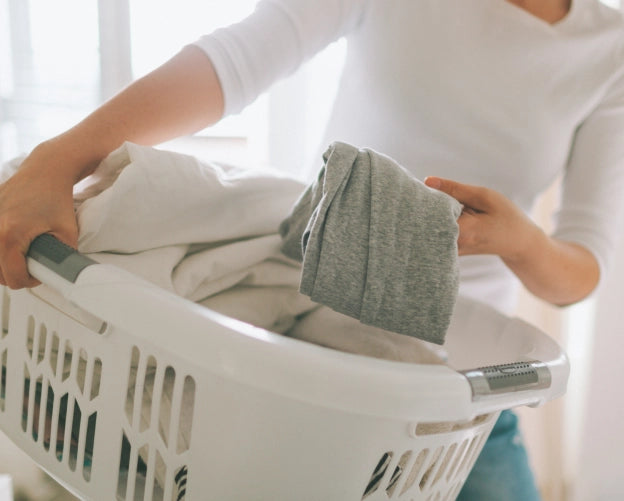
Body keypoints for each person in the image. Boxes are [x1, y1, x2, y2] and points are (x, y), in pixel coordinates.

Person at [2, 0, 624, 498]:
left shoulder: (608, 52)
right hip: (299, 354)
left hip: (460, 391)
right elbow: (238, 58)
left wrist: (522, 242)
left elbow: (579, 270)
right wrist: (55, 163)